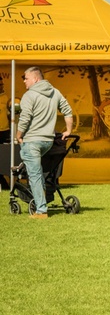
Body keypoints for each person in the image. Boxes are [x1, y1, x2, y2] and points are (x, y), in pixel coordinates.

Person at [15, 66, 74, 219]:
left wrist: (18, 135)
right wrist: (68, 130)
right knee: (39, 173)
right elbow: (67, 110)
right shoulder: (55, 92)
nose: (24, 82)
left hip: (32, 141)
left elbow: (25, 118)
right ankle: (43, 201)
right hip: (48, 141)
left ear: (35, 78)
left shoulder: (29, 95)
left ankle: (41, 210)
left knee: (34, 175)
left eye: (26, 79)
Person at [0, 79, 10, 144]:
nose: (1, 86)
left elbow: (9, 113)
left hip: (5, 130)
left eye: (1, 84)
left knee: (4, 151)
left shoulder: (6, 97)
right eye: (0, 85)